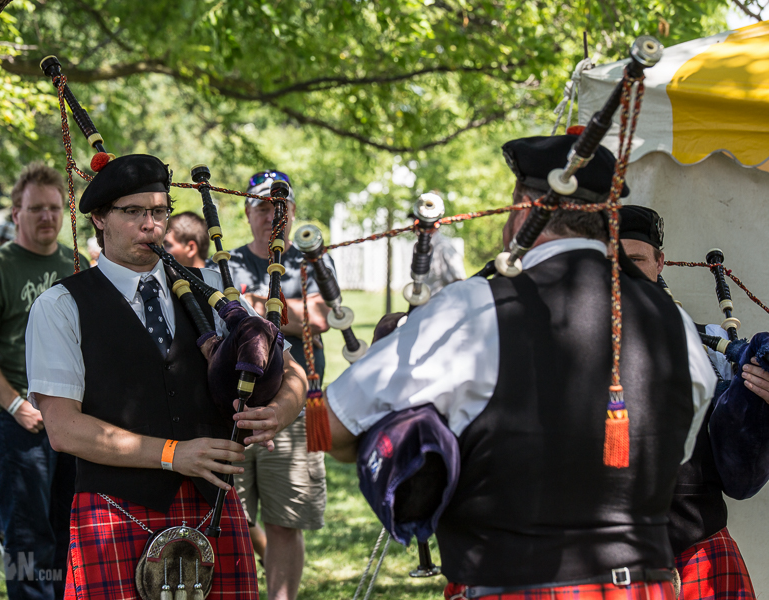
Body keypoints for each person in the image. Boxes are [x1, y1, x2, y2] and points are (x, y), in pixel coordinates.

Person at [325, 134, 718, 600]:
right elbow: (674, 456)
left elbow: (329, 426)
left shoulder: (473, 308)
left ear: (522, 209)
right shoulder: (676, 325)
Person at [24, 154, 307, 600]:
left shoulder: (213, 290)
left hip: (211, 505)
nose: (150, 226)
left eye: (159, 212)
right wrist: (174, 454)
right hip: (113, 511)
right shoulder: (61, 306)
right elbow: (63, 428)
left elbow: (292, 371)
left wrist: (279, 411)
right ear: (99, 218)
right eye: (133, 212)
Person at [620, 205, 767, 600]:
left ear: (659, 263)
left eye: (635, 259)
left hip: (699, 547)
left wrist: (758, 403)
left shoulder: (702, 345)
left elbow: (740, 480)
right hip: (607, 556)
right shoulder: (562, 341)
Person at [0, 163, 80, 600]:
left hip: (76, 420)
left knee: (70, 523)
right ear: (17, 213)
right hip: (21, 420)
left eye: (54, 208)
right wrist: (14, 405)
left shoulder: (76, 263)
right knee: (27, 531)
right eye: (36, 208)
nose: (47, 217)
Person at [216, 169, 330, 599]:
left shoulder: (310, 258)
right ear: (247, 214)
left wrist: (262, 305)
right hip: (235, 408)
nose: (271, 216)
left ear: (293, 211)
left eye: (279, 207)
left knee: (285, 520)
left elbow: (321, 317)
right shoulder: (226, 264)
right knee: (233, 516)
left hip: (295, 407)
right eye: (262, 207)